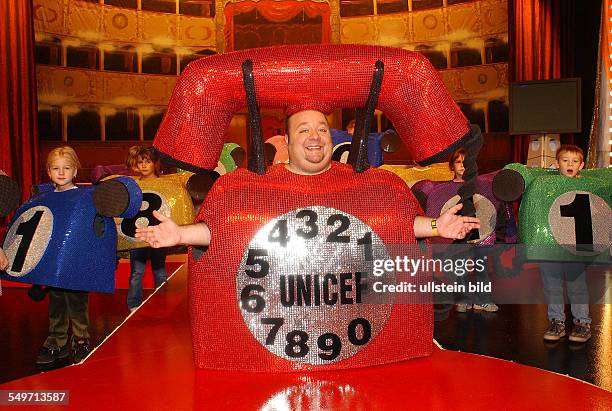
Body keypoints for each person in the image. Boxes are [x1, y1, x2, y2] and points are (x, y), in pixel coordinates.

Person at [136, 110, 479, 249]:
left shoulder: (359, 183)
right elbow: (230, 228)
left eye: (321, 129)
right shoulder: (257, 186)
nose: (315, 136)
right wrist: (180, 234)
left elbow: (388, 224)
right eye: (304, 129)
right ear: (286, 141)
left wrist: (437, 226)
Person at [36, 147, 91, 365]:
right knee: (56, 303)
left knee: (77, 302)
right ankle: (56, 341)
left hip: (75, 260)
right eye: (56, 168)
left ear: (75, 170)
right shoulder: (45, 198)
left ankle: (80, 339)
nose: (61, 173)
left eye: (66, 168)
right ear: (49, 172)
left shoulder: (84, 198)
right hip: (54, 262)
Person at [541, 144, 591, 343]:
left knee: (577, 285)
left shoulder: (587, 185)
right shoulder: (547, 186)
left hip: (574, 247)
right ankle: (557, 321)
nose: (570, 164)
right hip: (551, 244)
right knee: (552, 286)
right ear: (556, 163)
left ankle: (582, 322)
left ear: (581, 165)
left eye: (575, 161)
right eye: (565, 160)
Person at [447, 148, 499, 313]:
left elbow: (488, 210)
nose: (463, 166)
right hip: (458, 237)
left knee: (481, 269)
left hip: (480, 236)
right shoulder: (445, 190)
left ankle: (482, 300)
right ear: (452, 166)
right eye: (458, 162)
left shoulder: (482, 187)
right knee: (460, 270)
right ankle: (463, 300)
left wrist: (486, 233)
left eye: (466, 162)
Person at [126, 146, 168, 311]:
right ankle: (133, 304)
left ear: (155, 164)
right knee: (137, 272)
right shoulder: (133, 185)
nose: (144, 165)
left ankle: (163, 301)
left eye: (147, 162)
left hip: (158, 233)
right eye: (140, 162)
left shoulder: (164, 184)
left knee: (159, 270)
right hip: (138, 235)